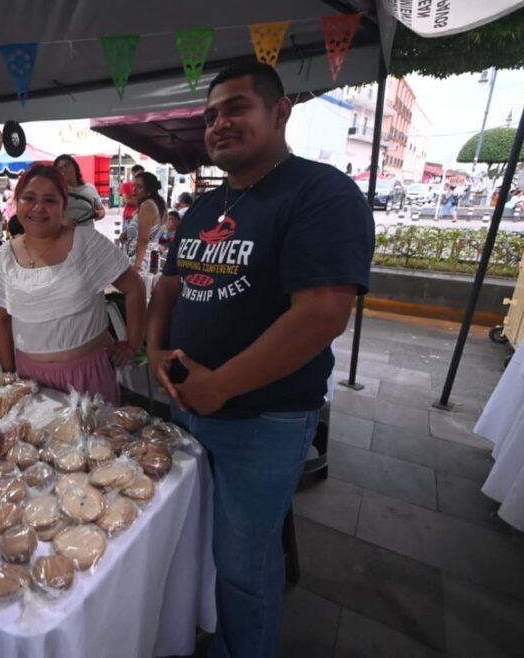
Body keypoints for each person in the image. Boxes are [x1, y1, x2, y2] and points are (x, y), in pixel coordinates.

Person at [146, 60, 373, 658]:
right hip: (187, 407)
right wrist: (152, 349)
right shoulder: (201, 207)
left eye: (236, 108)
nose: (219, 123)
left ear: (279, 112)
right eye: (210, 115)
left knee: (245, 561)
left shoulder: (320, 193)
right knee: (193, 539)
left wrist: (220, 386)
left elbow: (323, 312)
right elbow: (170, 285)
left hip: (264, 419)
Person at [0, 164, 146, 404]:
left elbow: (134, 287)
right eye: (29, 198)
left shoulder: (86, 242)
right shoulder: (3, 257)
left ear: (63, 206)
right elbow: (0, 319)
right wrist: (9, 374)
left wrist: (132, 344)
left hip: (88, 376)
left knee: (96, 440)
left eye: (50, 200)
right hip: (30, 379)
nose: (38, 207)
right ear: (17, 203)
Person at [123, 171, 166, 273]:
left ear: (149, 189)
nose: (134, 190)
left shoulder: (147, 205)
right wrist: (127, 234)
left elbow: (143, 240)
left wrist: (137, 266)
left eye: (139, 187)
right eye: (134, 185)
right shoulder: (155, 203)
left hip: (142, 260)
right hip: (145, 257)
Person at [54, 154, 106, 227]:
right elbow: (50, 214)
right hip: (66, 235)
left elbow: (101, 210)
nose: (64, 169)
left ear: (75, 167)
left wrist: (99, 214)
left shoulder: (90, 188)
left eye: (67, 165)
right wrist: (62, 220)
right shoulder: (56, 191)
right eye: (60, 168)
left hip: (88, 233)